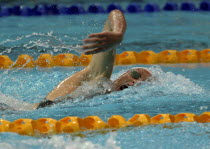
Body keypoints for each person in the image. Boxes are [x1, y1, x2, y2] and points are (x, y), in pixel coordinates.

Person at [33, 9, 152, 109]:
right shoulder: (97, 78)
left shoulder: (101, 97)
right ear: (122, 75)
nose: (135, 82)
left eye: (141, 85)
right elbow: (114, 14)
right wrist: (118, 34)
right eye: (135, 75)